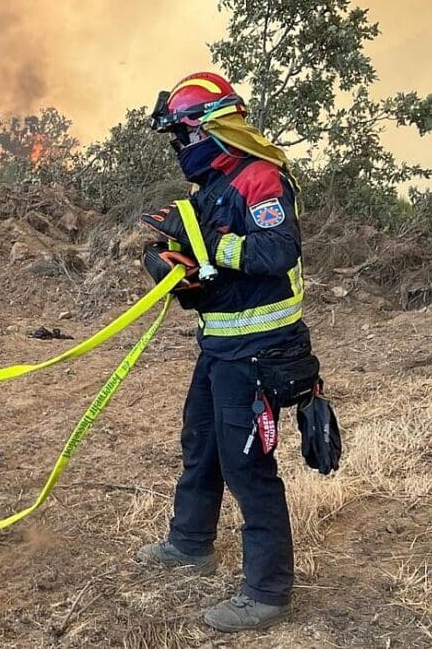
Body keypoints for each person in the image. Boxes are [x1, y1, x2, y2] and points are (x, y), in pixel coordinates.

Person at [137, 71, 311, 632]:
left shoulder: (259, 178)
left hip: (259, 349)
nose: (178, 149)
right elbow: (217, 273)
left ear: (210, 129)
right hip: (221, 342)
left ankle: (267, 592)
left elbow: (276, 250)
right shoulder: (207, 190)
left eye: (182, 137)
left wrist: (204, 244)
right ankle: (190, 543)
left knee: (248, 467)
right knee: (203, 444)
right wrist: (177, 274)